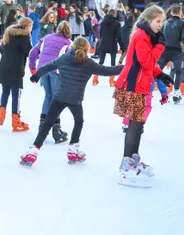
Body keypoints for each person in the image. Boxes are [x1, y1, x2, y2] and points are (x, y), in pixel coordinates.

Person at [23, 37, 124, 167]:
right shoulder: (89, 63)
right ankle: (73, 150)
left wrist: (36, 76)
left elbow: (48, 66)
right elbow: (107, 71)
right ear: (87, 49)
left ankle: (33, 151)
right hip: (75, 100)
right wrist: (125, 67)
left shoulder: (65, 58)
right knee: (78, 121)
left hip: (59, 97)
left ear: (72, 47)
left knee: (48, 123)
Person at [113, 6, 174, 187]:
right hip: (133, 86)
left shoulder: (146, 36)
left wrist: (160, 74)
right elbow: (146, 62)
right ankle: (126, 166)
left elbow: (145, 63)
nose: (160, 26)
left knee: (137, 125)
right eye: (158, 22)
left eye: (162, 22)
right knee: (135, 125)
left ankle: (133, 159)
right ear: (148, 21)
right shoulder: (141, 36)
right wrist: (161, 46)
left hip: (140, 83)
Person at [29, 21, 72, 143]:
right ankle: (56, 130)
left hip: (42, 69)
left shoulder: (46, 37)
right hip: (55, 70)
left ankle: (42, 128)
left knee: (48, 96)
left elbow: (33, 53)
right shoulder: (67, 42)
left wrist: (33, 69)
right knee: (55, 99)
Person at [0, 18, 34, 132]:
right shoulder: (25, 36)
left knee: (5, 91)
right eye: (31, 26)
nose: (31, 28)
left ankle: (1, 114)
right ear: (27, 26)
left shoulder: (9, 33)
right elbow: (28, 52)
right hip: (16, 68)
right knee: (16, 94)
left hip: (4, 66)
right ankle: (16, 120)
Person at [157, 4, 184, 102]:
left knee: (157, 70)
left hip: (165, 50)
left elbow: (159, 37)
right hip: (177, 51)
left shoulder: (165, 23)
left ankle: (154, 90)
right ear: (180, 13)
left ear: (171, 12)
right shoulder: (183, 23)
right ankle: (176, 92)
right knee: (178, 71)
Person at [93, 9, 122, 87]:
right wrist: (122, 46)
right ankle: (111, 81)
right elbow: (118, 36)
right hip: (112, 43)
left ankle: (95, 79)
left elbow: (101, 34)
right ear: (114, 14)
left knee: (101, 62)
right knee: (113, 63)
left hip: (103, 43)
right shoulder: (117, 24)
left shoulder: (103, 23)